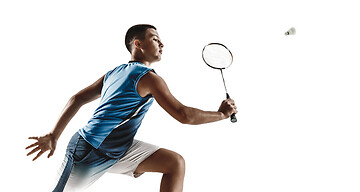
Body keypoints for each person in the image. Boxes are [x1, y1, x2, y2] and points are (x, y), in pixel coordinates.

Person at [26, 24, 238, 192]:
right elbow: (183, 115)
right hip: (89, 150)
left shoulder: (114, 72)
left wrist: (55, 134)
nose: (162, 44)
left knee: (174, 163)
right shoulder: (148, 78)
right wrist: (221, 114)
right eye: (155, 39)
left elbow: (77, 98)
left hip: (119, 147)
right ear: (138, 44)